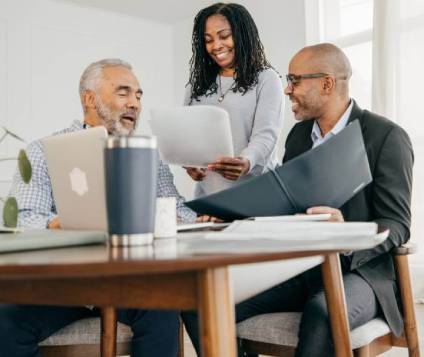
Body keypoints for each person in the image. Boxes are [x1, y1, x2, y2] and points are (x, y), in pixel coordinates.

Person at [182, 43, 413, 357]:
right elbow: (285, 203)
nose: (287, 90)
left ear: (327, 83)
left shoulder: (386, 137)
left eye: (294, 80)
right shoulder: (299, 136)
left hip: (360, 274)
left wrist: (346, 232)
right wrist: (230, 214)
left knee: (322, 312)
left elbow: (397, 225)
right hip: (300, 270)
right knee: (200, 303)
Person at [1, 58, 196, 357]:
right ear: (89, 99)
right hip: (63, 285)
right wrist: (71, 222)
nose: (134, 103)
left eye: (139, 95)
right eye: (123, 92)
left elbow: (173, 209)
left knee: (164, 308)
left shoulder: (148, 155)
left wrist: (205, 218)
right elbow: (24, 220)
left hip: (131, 280)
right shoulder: (43, 150)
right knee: (5, 322)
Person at [184, 2, 284, 198]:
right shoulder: (196, 86)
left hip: (258, 193)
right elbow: (187, 137)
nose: (216, 46)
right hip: (210, 197)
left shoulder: (266, 78)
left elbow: (266, 134)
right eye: (208, 40)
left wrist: (246, 161)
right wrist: (190, 163)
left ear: (242, 35)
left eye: (224, 36)